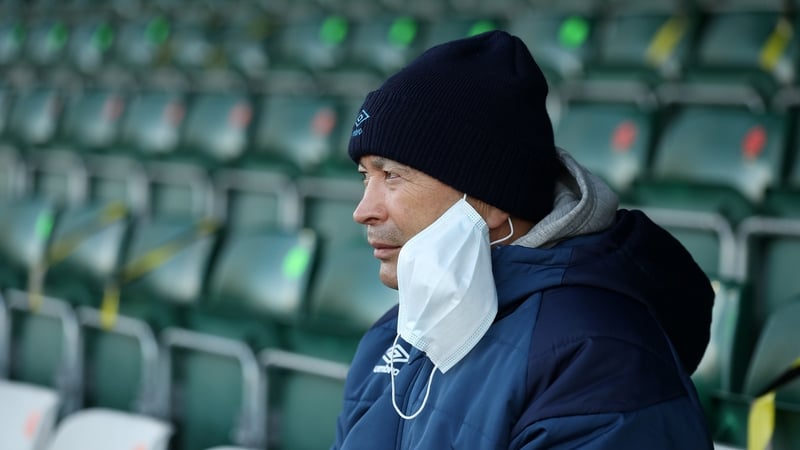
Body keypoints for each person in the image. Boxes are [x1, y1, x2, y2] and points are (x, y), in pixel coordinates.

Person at [333, 30, 715, 449]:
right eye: (365, 176)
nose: (363, 210)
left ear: (490, 200)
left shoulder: (596, 356)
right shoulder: (393, 334)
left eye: (391, 175)